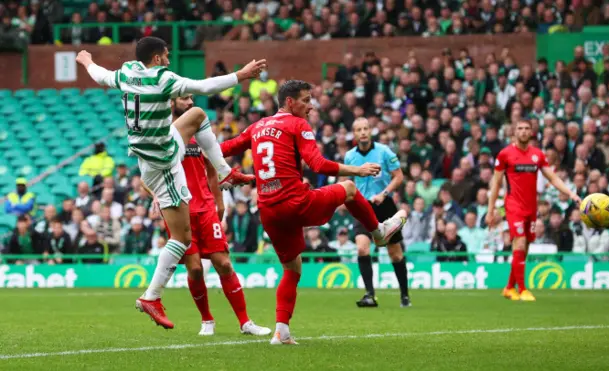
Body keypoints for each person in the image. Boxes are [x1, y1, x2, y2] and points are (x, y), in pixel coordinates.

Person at [76, 36, 265, 329]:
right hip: (164, 161)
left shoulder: (126, 74)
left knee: (198, 115)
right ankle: (151, 297)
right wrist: (240, 75)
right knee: (182, 239)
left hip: (150, 151)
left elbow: (100, 75)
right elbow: (204, 86)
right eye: (165, 55)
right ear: (155, 58)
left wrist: (86, 60)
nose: (168, 60)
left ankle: (225, 170)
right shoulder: (163, 78)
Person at [221, 80, 407, 345]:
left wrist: (214, 165)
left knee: (292, 268)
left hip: (269, 211)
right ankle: (379, 232)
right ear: (289, 102)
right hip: (295, 203)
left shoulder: (257, 126)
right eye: (306, 100)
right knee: (350, 189)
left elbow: (222, 148)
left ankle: (281, 331)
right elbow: (318, 164)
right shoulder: (297, 124)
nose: (310, 106)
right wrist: (357, 169)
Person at [153, 94, 270, 336]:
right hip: (179, 209)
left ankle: (245, 322)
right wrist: (156, 193)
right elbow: (148, 170)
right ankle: (207, 320)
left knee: (224, 263)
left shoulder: (200, 133)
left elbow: (212, 170)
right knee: (195, 269)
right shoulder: (162, 134)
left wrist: (219, 202)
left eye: (190, 97)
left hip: (205, 207)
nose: (189, 101)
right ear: (171, 103)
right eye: (183, 98)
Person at [486, 120, 580, 302]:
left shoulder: (537, 155)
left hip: (531, 207)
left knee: (524, 248)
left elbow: (552, 177)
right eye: (519, 128)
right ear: (514, 132)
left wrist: (571, 194)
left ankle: (508, 288)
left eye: (526, 128)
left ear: (531, 132)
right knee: (519, 244)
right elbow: (496, 183)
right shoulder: (505, 154)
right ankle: (522, 289)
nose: (523, 131)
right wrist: (491, 211)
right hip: (513, 206)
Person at [344, 117, 411, 308]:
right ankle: (370, 295)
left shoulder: (384, 151)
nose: (363, 132)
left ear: (371, 131)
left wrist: (384, 193)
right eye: (359, 129)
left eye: (366, 128)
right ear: (354, 134)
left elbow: (398, 176)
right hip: (362, 206)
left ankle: (404, 295)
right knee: (362, 248)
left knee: (395, 254)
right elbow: (348, 181)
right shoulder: (350, 156)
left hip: (384, 205)